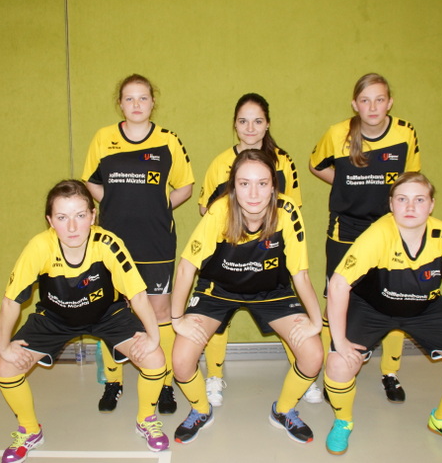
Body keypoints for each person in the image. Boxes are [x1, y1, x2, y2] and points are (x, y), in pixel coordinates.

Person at [0, 180, 170, 462]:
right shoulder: (39, 247)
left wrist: (153, 338)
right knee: (5, 367)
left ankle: (145, 420)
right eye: (62, 217)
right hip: (55, 317)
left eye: (80, 215)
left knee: (154, 357)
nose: (72, 227)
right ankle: (29, 430)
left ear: (92, 216)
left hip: (107, 314)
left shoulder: (108, 244)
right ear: (50, 221)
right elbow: (11, 301)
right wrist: (3, 347)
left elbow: (137, 294)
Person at [324, 172, 442, 455]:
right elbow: (339, 285)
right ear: (391, 204)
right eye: (402, 199)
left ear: (432, 205)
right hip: (372, 307)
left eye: (419, 200)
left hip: (424, 307)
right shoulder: (378, 235)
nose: (411, 207)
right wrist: (339, 341)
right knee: (339, 364)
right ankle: (343, 422)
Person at [170, 149, 324, 445]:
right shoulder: (220, 210)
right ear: (233, 186)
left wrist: (315, 322)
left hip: (271, 291)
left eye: (262, 183)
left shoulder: (287, 210)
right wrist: (177, 319)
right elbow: (187, 266)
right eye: (244, 183)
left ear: (273, 186)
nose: (253, 193)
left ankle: (284, 410)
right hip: (218, 290)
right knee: (181, 360)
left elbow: (300, 274)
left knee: (313, 354)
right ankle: (201, 410)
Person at [197, 93, 319, 406]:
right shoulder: (220, 163)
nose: (250, 128)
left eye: (257, 121)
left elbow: (291, 209)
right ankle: (214, 376)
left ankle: (303, 374)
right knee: (217, 317)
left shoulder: (283, 161)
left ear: (267, 125)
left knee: (285, 314)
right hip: (228, 259)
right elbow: (205, 210)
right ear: (235, 125)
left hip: (269, 258)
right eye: (243, 121)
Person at [82, 74, 194, 415]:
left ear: (152, 102)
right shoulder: (103, 138)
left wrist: (157, 206)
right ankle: (113, 381)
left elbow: (185, 187)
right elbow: (90, 181)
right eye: (129, 98)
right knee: (111, 311)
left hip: (156, 241)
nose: (136, 104)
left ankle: (164, 383)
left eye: (142, 98)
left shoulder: (168, 140)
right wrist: (113, 202)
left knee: (159, 313)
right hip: (113, 243)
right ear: (120, 104)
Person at [309, 72, 421, 403]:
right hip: (345, 230)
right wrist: (345, 183)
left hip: (389, 229)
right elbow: (316, 165)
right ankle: (333, 368)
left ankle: (390, 373)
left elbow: (410, 181)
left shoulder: (405, 133)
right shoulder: (337, 133)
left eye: (379, 99)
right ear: (355, 104)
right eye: (365, 100)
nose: (372, 107)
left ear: (390, 102)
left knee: (395, 298)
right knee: (336, 299)